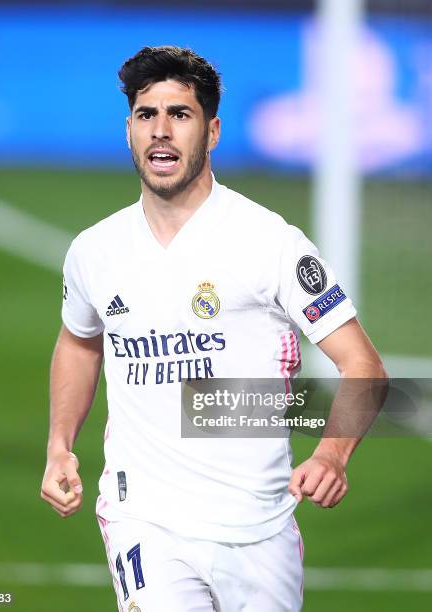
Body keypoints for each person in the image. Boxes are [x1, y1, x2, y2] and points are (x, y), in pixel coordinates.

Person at [41, 46, 387, 611]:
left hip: (259, 526)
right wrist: (59, 447)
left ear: (213, 131)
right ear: (128, 129)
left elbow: (363, 365)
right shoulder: (94, 251)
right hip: (143, 519)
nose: (161, 131)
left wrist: (331, 455)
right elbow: (79, 342)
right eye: (147, 115)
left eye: (180, 115)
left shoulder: (271, 243)